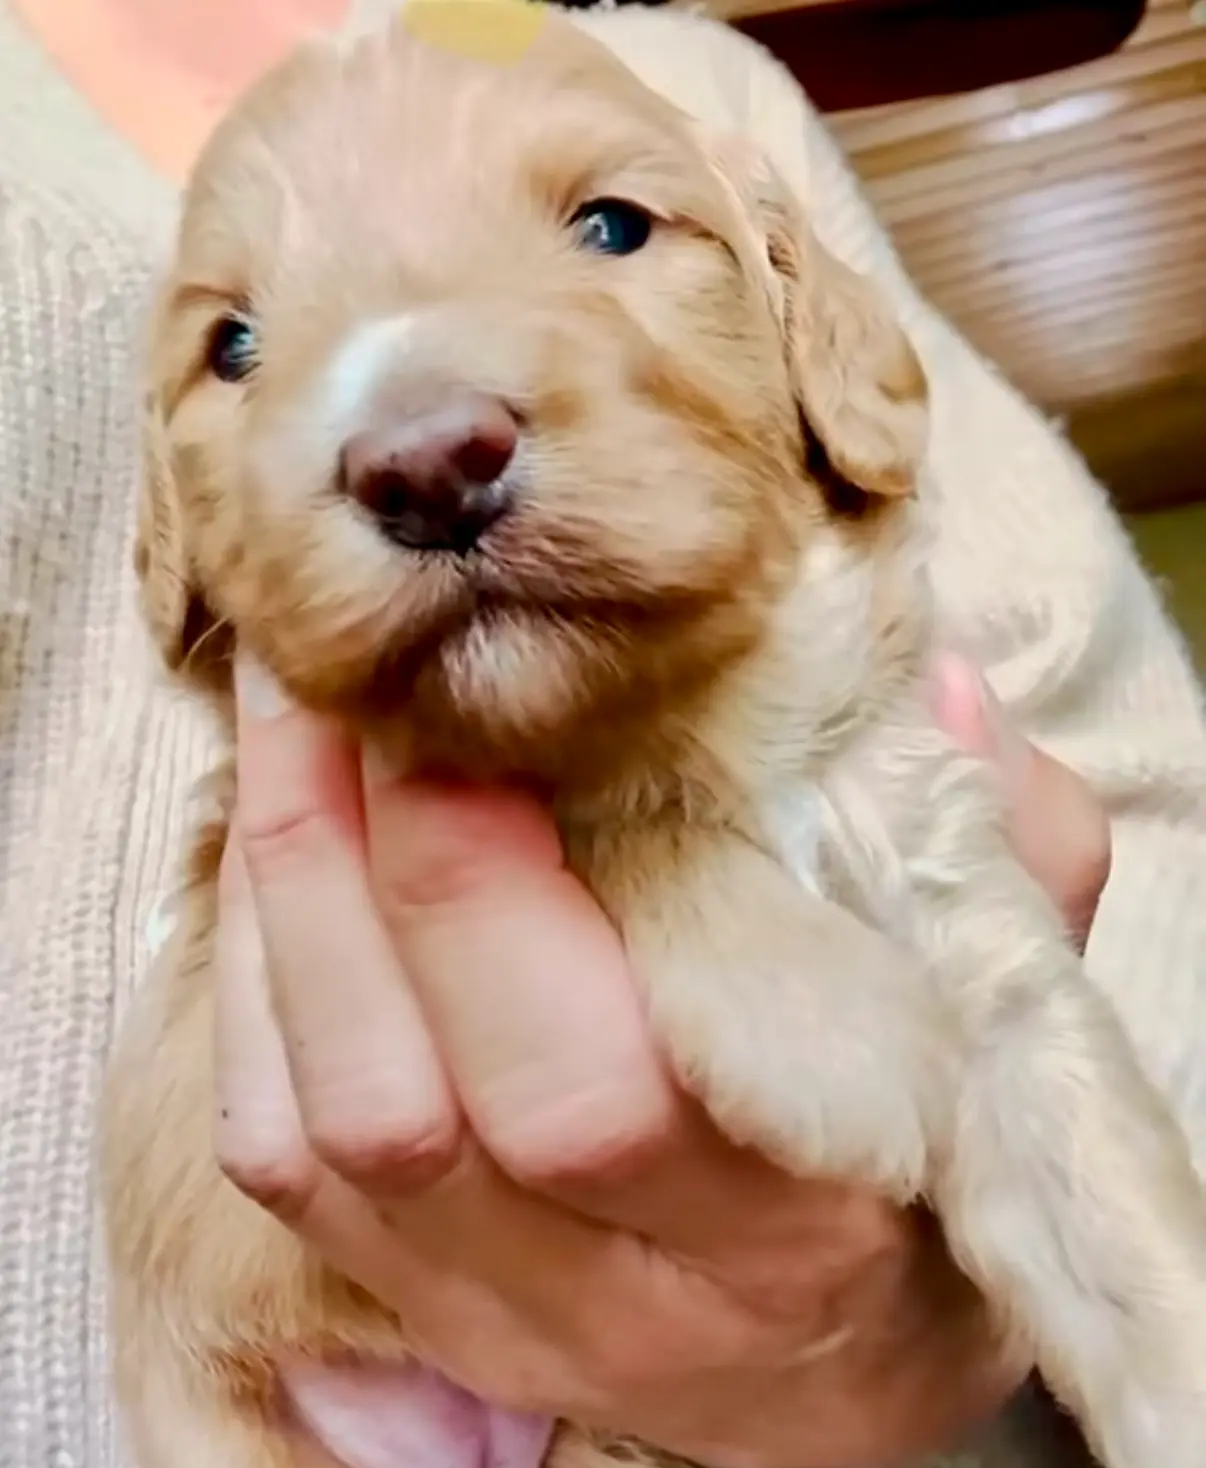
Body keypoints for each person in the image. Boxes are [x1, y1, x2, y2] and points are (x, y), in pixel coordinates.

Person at [1, 2, 1204, 1468]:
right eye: (236, 345)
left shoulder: (685, 81)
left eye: (612, 229)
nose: (422, 450)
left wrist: (951, 1320)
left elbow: (1143, 817)